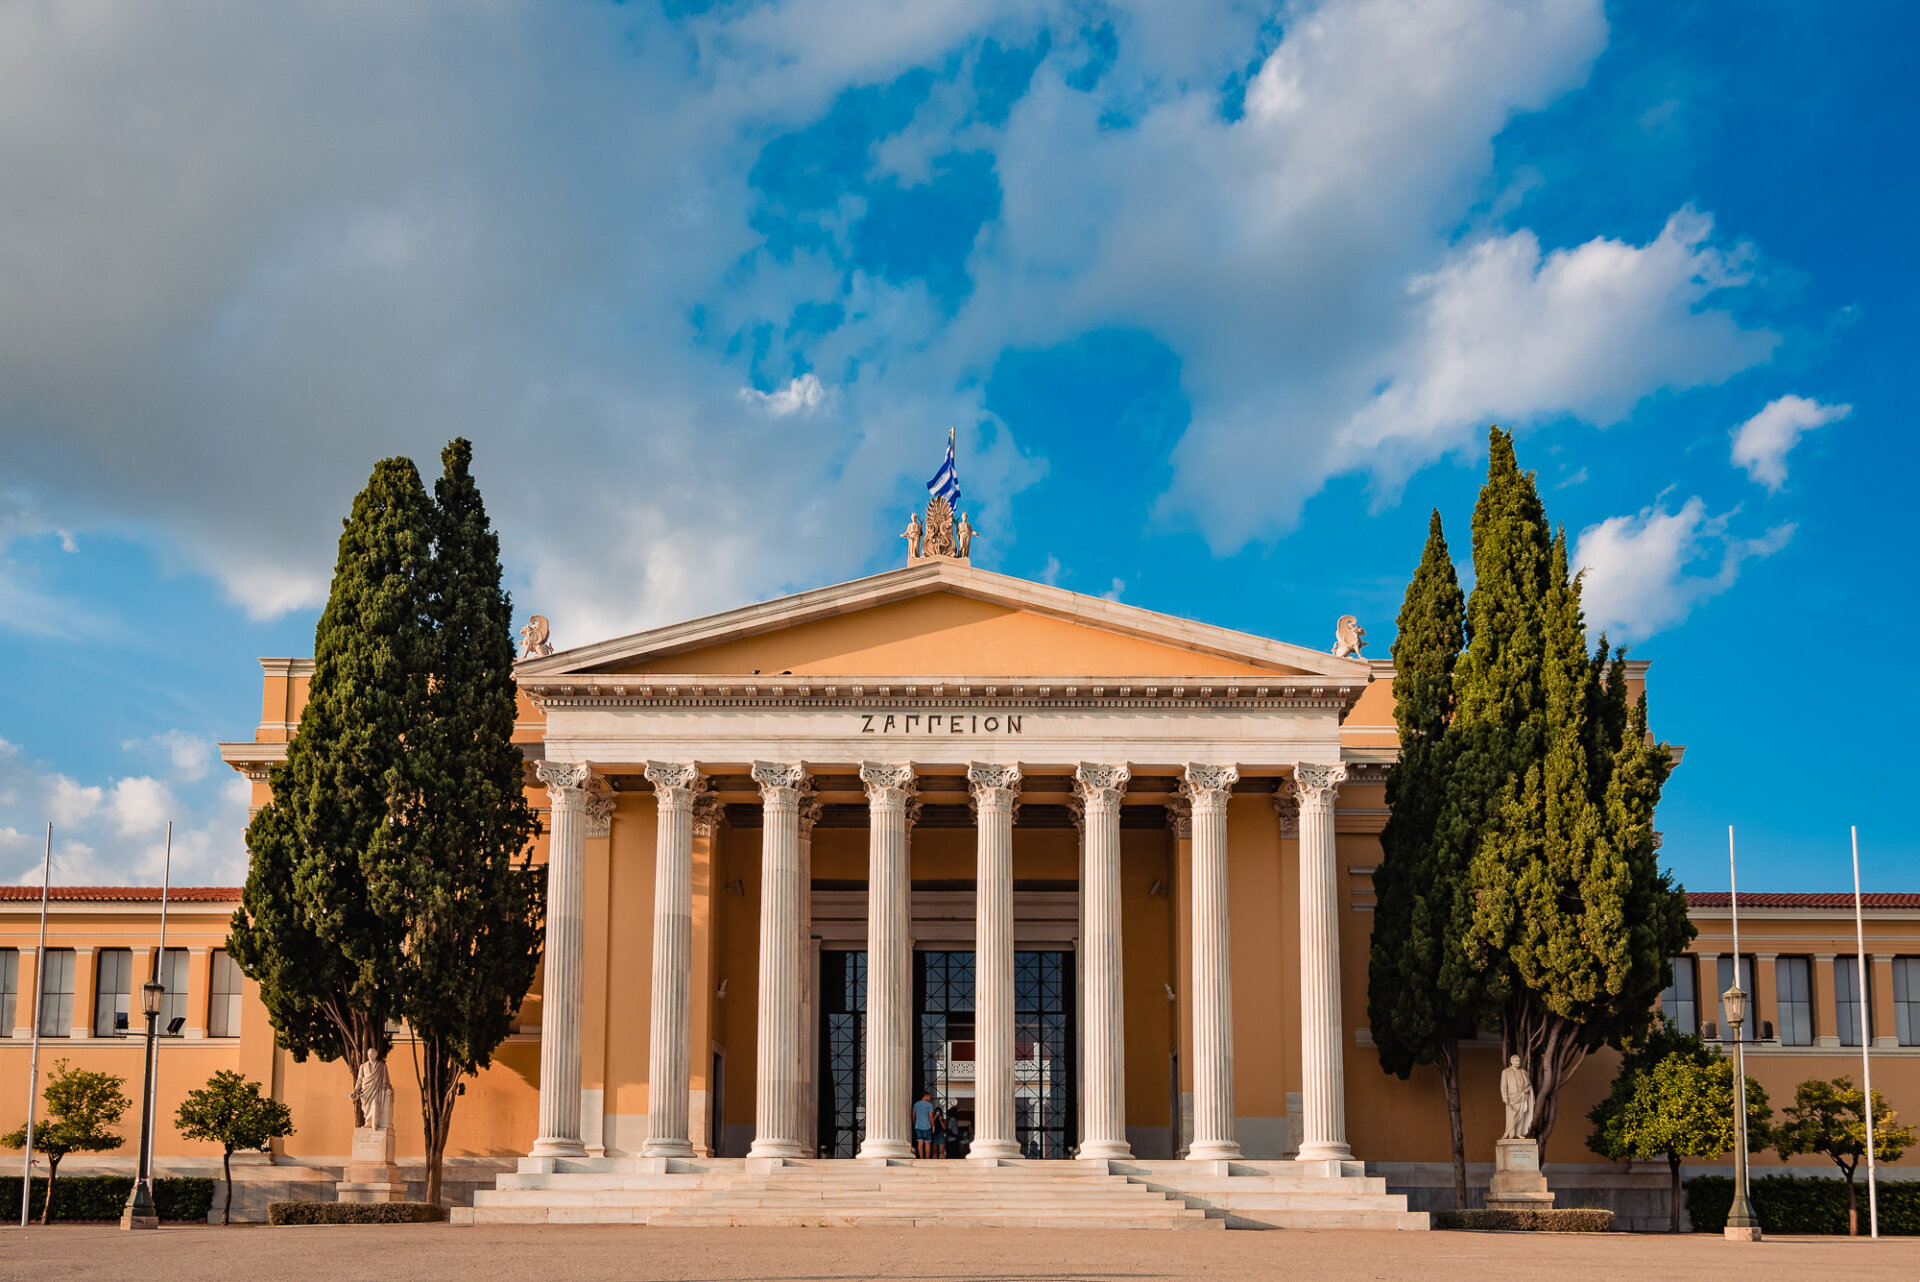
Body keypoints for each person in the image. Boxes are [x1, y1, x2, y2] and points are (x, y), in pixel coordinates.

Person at [913, 1091, 936, 1159]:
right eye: (929, 1096)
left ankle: (921, 1158)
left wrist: (915, 1123)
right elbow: (931, 1116)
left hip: (918, 1126)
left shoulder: (916, 1104)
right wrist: (933, 1125)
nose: (930, 1098)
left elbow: (913, 1115)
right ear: (925, 1095)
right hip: (927, 1126)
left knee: (920, 1143)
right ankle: (927, 1159)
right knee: (927, 1143)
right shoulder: (929, 1105)